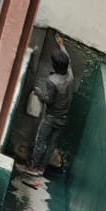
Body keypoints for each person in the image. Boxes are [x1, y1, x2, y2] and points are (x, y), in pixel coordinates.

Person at [25, 34, 75, 176]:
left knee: (40, 141)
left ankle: (33, 167)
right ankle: (41, 168)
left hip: (51, 118)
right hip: (63, 117)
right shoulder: (70, 76)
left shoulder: (52, 81)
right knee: (51, 144)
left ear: (54, 65)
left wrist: (38, 93)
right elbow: (69, 60)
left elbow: (49, 100)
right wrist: (61, 45)